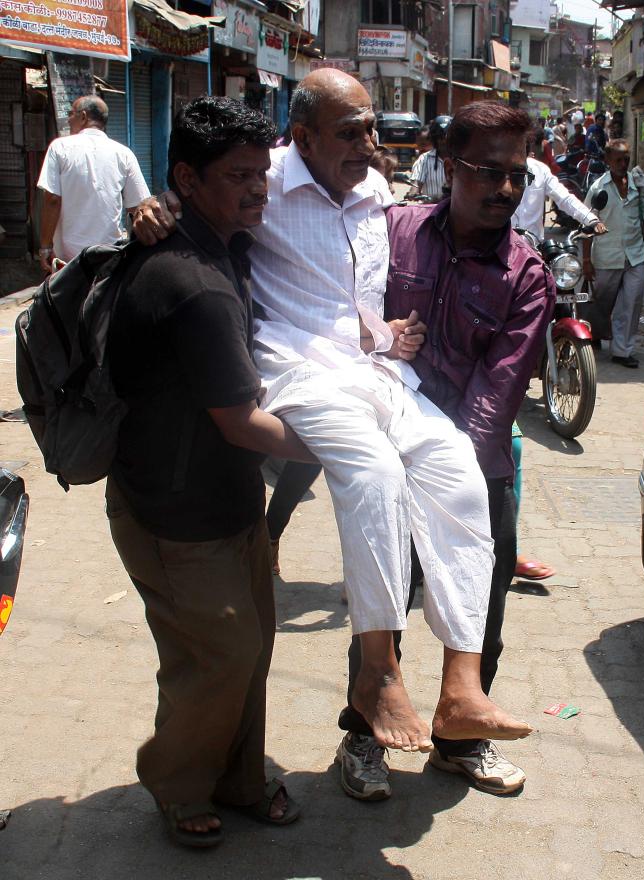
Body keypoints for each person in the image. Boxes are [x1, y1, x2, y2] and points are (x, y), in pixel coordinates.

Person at [134, 69, 533, 765]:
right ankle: (376, 670)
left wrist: (386, 332)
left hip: (374, 372)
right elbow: (195, 201)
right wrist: (148, 207)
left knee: (462, 473)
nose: (369, 144)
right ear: (304, 137)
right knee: (373, 476)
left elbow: (352, 295)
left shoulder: (377, 193)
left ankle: (461, 687)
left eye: (372, 128)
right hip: (298, 371)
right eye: (350, 132)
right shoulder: (262, 184)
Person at [107, 96, 314, 847]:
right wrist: (350, 451)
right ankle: (177, 782)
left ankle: (241, 779)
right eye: (240, 176)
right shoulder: (191, 281)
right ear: (188, 180)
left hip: (226, 499)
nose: (260, 189)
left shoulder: (228, 240)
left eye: (263, 173)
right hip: (173, 511)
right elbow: (242, 421)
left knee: (251, 645)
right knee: (220, 653)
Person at [337, 101, 555, 798]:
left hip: (474, 459)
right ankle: (364, 735)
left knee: (480, 604)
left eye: (517, 176)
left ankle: (462, 735)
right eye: (489, 172)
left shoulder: (527, 275)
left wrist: (449, 470)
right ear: (448, 167)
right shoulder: (392, 232)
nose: (506, 191)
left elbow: (499, 392)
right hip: (385, 454)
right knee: (383, 596)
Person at [37, 95, 150, 273]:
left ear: (83, 116)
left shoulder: (59, 147)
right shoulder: (123, 153)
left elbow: (52, 199)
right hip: (109, 256)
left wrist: (45, 247)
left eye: (71, 113)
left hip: (67, 261)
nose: (68, 118)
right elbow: (138, 207)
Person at [583, 139, 644, 368]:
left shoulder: (638, 185)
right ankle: (594, 332)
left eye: (627, 159)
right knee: (602, 302)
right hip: (607, 256)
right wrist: (586, 259)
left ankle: (623, 350)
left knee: (632, 301)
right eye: (619, 159)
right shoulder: (598, 188)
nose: (624, 164)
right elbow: (586, 222)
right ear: (608, 161)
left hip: (635, 254)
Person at [512, 150, 606, 242]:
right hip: (501, 248)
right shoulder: (498, 171)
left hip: (532, 249)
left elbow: (565, 198)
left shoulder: (540, 170)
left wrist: (591, 220)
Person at [408, 118, 449, 200]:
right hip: (431, 210)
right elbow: (416, 185)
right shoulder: (424, 159)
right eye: (439, 137)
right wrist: (412, 193)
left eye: (446, 137)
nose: (443, 141)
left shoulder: (460, 159)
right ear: (434, 138)